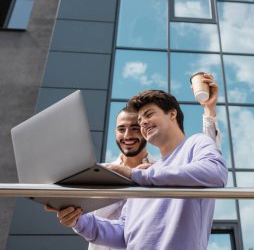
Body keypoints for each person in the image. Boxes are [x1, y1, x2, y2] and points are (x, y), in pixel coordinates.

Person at [48, 74, 226, 250]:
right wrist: (78, 220)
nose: (144, 124)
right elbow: (123, 233)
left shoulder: (195, 144)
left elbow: (215, 172)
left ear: (172, 113)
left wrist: (135, 174)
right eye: (140, 121)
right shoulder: (144, 175)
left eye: (149, 115)